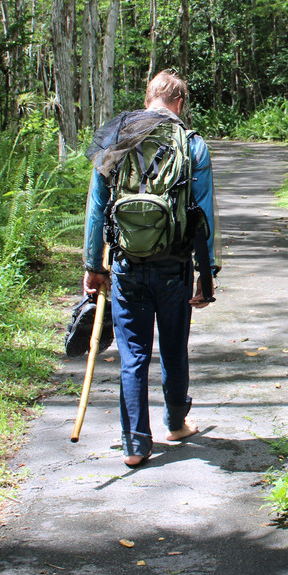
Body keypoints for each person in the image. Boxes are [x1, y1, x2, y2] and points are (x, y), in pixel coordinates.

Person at [82, 70, 219, 467]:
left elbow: (96, 207)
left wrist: (94, 265)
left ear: (148, 99)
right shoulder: (192, 146)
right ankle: (176, 423)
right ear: (179, 103)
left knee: (134, 354)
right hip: (174, 267)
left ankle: (136, 444)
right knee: (174, 348)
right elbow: (203, 215)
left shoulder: (117, 137)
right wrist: (205, 274)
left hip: (127, 266)